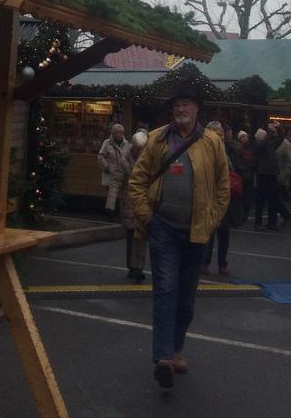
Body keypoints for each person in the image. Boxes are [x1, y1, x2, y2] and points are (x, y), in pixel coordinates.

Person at [128, 85, 230, 390]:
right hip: (163, 228)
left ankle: (175, 350)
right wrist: (147, 217)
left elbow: (223, 186)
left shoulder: (212, 141)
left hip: (197, 230)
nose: (180, 109)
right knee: (165, 288)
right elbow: (137, 180)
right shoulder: (157, 138)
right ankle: (163, 358)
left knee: (186, 298)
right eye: (177, 105)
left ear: (197, 109)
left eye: (186, 104)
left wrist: (212, 219)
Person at [202, 121, 232, 276]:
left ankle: (222, 263)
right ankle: (205, 262)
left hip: (223, 194)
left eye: (221, 130)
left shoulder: (227, 148)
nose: (220, 133)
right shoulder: (206, 148)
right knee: (210, 231)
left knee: (223, 232)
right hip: (209, 194)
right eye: (217, 130)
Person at [125, 126, 150, 281]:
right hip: (129, 203)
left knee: (141, 237)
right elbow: (118, 181)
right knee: (131, 237)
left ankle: (138, 267)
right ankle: (132, 266)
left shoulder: (149, 159)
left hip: (142, 203)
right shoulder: (126, 160)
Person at [97, 123, 132, 215]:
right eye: (117, 132)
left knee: (126, 195)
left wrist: (130, 169)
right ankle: (110, 213)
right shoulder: (107, 143)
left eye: (121, 132)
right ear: (113, 133)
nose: (119, 134)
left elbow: (130, 157)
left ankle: (125, 213)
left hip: (125, 172)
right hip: (113, 173)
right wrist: (107, 167)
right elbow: (101, 157)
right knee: (112, 194)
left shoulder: (127, 144)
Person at [253, 127, 280, 230]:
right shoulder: (258, 145)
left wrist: (279, 129)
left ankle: (272, 222)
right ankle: (258, 223)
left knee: (273, 199)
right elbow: (262, 145)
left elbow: (280, 140)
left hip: (272, 173)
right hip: (263, 174)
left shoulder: (270, 145)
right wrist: (270, 132)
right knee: (261, 200)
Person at [234, 130, 255, 221]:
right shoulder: (237, 148)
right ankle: (241, 214)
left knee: (247, 196)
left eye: (245, 136)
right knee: (241, 196)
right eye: (242, 137)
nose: (244, 138)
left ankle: (245, 213)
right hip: (241, 174)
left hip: (249, 175)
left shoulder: (250, 147)